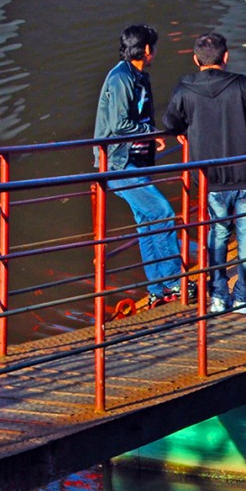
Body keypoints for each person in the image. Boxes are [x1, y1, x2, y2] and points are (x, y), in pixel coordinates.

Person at [162, 32, 246, 315]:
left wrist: (184, 130)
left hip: (210, 180)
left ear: (196, 60)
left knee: (217, 234)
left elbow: (170, 122)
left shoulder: (184, 89)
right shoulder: (244, 86)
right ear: (226, 57)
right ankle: (245, 296)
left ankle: (218, 296)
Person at [93, 23, 185, 305]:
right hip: (118, 163)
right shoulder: (120, 78)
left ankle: (159, 288)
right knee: (163, 212)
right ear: (146, 50)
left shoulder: (139, 77)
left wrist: (154, 136)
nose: (155, 51)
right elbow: (120, 124)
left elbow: (142, 117)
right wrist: (149, 134)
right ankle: (174, 283)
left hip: (136, 160)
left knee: (148, 222)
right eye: (154, 46)